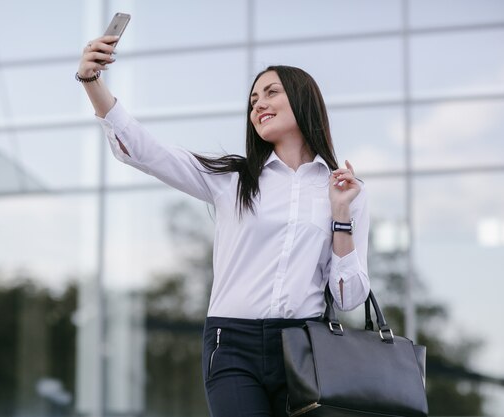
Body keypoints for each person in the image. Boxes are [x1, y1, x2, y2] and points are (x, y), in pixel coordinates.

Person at [77, 35, 371, 417]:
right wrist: (92, 81)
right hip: (231, 343)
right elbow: (145, 151)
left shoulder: (346, 190)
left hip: (303, 347)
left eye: (271, 93)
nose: (259, 104)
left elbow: (349, 297)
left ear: (303, 100)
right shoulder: (232, 179)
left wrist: (341, 216)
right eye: (253, 101)